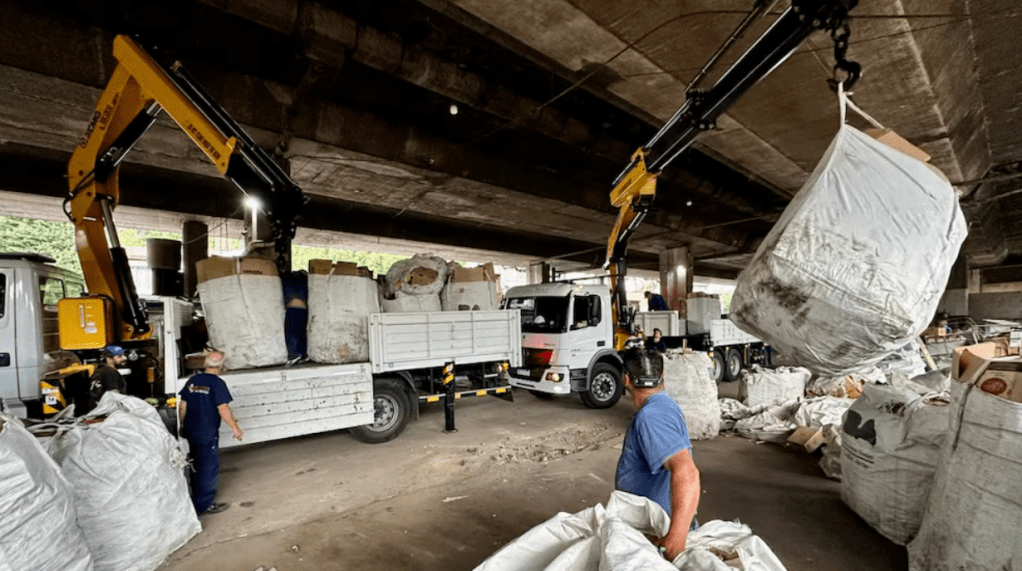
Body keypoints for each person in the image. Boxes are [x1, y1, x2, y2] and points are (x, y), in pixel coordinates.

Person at [615, 348, 700, 561]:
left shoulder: (652, 416)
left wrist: (676, 538)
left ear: (626, 380)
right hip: (653, 527)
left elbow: (687, 472)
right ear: (663, 376)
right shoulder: (663, 404)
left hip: (658, 534)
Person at [179, 351, 243, 515]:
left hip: (191, 429)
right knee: (208, 467)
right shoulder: (217, 383)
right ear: (222, 366)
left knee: (196, 463)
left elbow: (182, 406)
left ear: (205, 364)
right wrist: (235, 428)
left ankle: (194, 499)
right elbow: (223, 408)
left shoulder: (192, 381)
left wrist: (182, 425)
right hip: (207, 431)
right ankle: (204, 504)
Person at [282, 270, 310, 367]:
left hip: (293, 310)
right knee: (302, 333)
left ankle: (294, 355)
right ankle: (303, 354)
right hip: (304, 310)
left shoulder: (287, 280)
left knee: (291, 332)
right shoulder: (303, 281)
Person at [89, 345, 128, 409]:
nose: (125, 358)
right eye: (119, 356)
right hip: (107, 412)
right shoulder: (109, 372)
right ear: (109, 359)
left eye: (124, 355)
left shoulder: (101, 371)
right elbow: (115, 397)